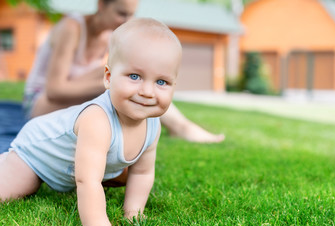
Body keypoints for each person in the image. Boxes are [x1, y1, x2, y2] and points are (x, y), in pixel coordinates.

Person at [0, 18, 182, 226]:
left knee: (124, 175)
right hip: (34, 153)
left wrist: (133, 213)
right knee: (14, 189)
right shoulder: (98, 120)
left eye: (161, 82)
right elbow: (87, 180)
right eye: (134, 76)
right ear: (108, 77)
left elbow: (142, 172)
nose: (147, 91)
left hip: (67, 167)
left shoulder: (152, 124)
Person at [23, 0, 224, 143]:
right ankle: (181, 127)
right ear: (101, 5)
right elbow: (54, 90)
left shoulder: (110, 37)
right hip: (41, 102)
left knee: (130, 76)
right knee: (126, 81)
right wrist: (119, 84)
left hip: (75, 102)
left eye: (131, 14)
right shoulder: (72, 28)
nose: (127, 20)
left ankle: (180, 126)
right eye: (122, 13)